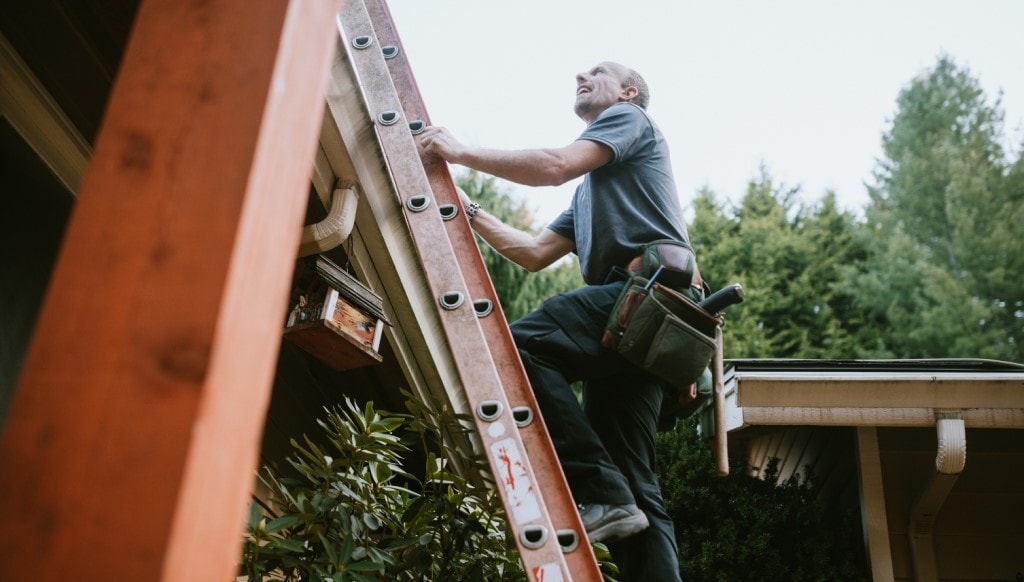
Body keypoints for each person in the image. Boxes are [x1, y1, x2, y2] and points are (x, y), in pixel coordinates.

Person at [419, 61, 690, 581]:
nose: (580, 77)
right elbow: (533, 250)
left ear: (628, 92)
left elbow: (552, 165)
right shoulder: (593, 190)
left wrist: (460, 152)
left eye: (597, 72)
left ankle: (599, 491)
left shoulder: (629, 118)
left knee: (518, 347)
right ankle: (619, 507)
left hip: (648, 302)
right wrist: (459, 205)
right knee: (638, 489)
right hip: (646, 328)